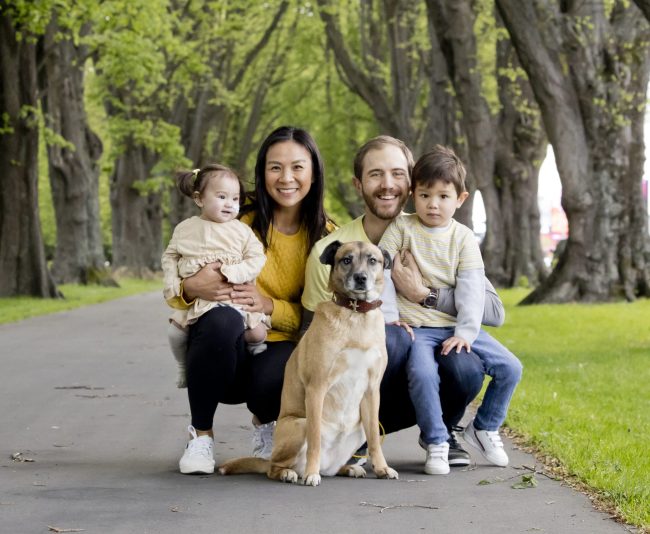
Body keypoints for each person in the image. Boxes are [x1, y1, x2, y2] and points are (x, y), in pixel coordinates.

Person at [302, 135, 505, 468]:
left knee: (466, 365)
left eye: (397, 174)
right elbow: (311, 334)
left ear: (411, 182)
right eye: (375, 174)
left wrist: (424, 294)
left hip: (432, 347)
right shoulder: (335, 248)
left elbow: (494, 312)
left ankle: (442, 431)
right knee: (391, 336)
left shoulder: (443, 236)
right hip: (357, 370)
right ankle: (356, 434)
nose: (387, 184)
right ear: (358, 183)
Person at [167, 126, 332, 474]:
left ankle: (268, 425)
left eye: (298, 167)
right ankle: (201, 436)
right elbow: (182, 273)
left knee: (271, 383)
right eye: (275, 167)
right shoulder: (233, 216)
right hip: (227, 341)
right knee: (219, 321)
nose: (286, 178)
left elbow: (324, 314)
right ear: (261, 173)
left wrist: (270, 306)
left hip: (281, 343)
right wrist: (192, 287)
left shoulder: (327, 235)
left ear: (314, 173)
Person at [379, 145, 522, 475]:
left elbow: (472, 289)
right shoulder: (402, 228)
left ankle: (484, 427)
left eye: (443, 196)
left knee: (510, 367)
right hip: (418, 329)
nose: (433, 204)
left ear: (460, 198)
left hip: (455, 325)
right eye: (425, 195)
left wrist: (465, 333)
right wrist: (390, 317)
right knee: (423, 374)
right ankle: (437, 440)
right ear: (413, 194)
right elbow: (383, 273)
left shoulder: (464, 238)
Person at [162, 164, 270, 389]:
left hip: (233, 296)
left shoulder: (241, 231)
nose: (230, 204)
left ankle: (251, 360)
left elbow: (257, 257)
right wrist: (173, 282)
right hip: (199, 301)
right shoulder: (186, 229)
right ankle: (183, 366)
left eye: (235, 198)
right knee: (175, 333)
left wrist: (234, 272)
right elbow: (170, 256)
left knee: (257, 333)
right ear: (199, 199)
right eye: (222, 197)